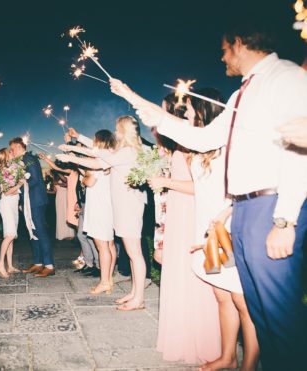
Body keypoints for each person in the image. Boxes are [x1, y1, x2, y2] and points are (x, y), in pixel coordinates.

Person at [111, 22, 307, 370]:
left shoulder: (286, 78)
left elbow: (299, 151)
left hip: (270, 206)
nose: (221, 55)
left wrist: (285, 219)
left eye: (225, 47)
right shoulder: (241, 93)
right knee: (259, 310)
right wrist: (133, 99)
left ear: (242, 43)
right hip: (242, 209)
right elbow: (203, 140)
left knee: (278, 314)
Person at [184, 89, 259, 371]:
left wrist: (224, 214)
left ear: (204, 109)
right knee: (221, 293)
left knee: (242, 298)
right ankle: (228, 356)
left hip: (228, 226)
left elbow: (242, 184)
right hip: (206, 227)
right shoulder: (200, 145)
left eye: (190, 108)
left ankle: (249, 364)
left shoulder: (230, 144)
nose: (186, 112)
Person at [62, 117, 148, 310]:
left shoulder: (128, 151)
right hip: (123, 207)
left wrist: (71, 154)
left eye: (118, 130)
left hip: (128, 207)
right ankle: (135, 293)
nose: (116, 133)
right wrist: (77, 143)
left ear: (125, 131)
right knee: (131, 253)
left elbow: (98, 160)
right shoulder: (123, 151)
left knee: (135, 254)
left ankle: (139, 298)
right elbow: (98, 151)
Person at [58, 130, 117, 294]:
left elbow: (89, 180)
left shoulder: (101, 160)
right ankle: (109, 279)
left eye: (95, 141)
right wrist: (75, 145)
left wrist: (71, 157)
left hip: (99, 207)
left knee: (102, 245)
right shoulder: (109, 157)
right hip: (106, 206)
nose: (93, 143)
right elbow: (89, 162)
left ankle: (104, 281)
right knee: (109, 244)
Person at [10, 138, 56, 277]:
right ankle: (38, 262)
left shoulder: (28, 158)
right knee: (32, 232)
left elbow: (34, 180)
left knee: (40, 231)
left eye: (12, 149)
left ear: (19, 146)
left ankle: (49, 265)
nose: (11, 152)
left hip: (35, 200)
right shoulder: (21, 160)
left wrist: (19, 185)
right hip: (28, 201)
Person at [0, 148, 25, 278]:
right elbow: (6, 192)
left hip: (13, 203)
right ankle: (0, 264)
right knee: (10, 235)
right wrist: (20, 184)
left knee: (11, 236)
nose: (12, 152)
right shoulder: (3, 171)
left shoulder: (12, 168)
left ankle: (10, 266)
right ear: (6, 157)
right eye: (10, 152)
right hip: (6, 203)